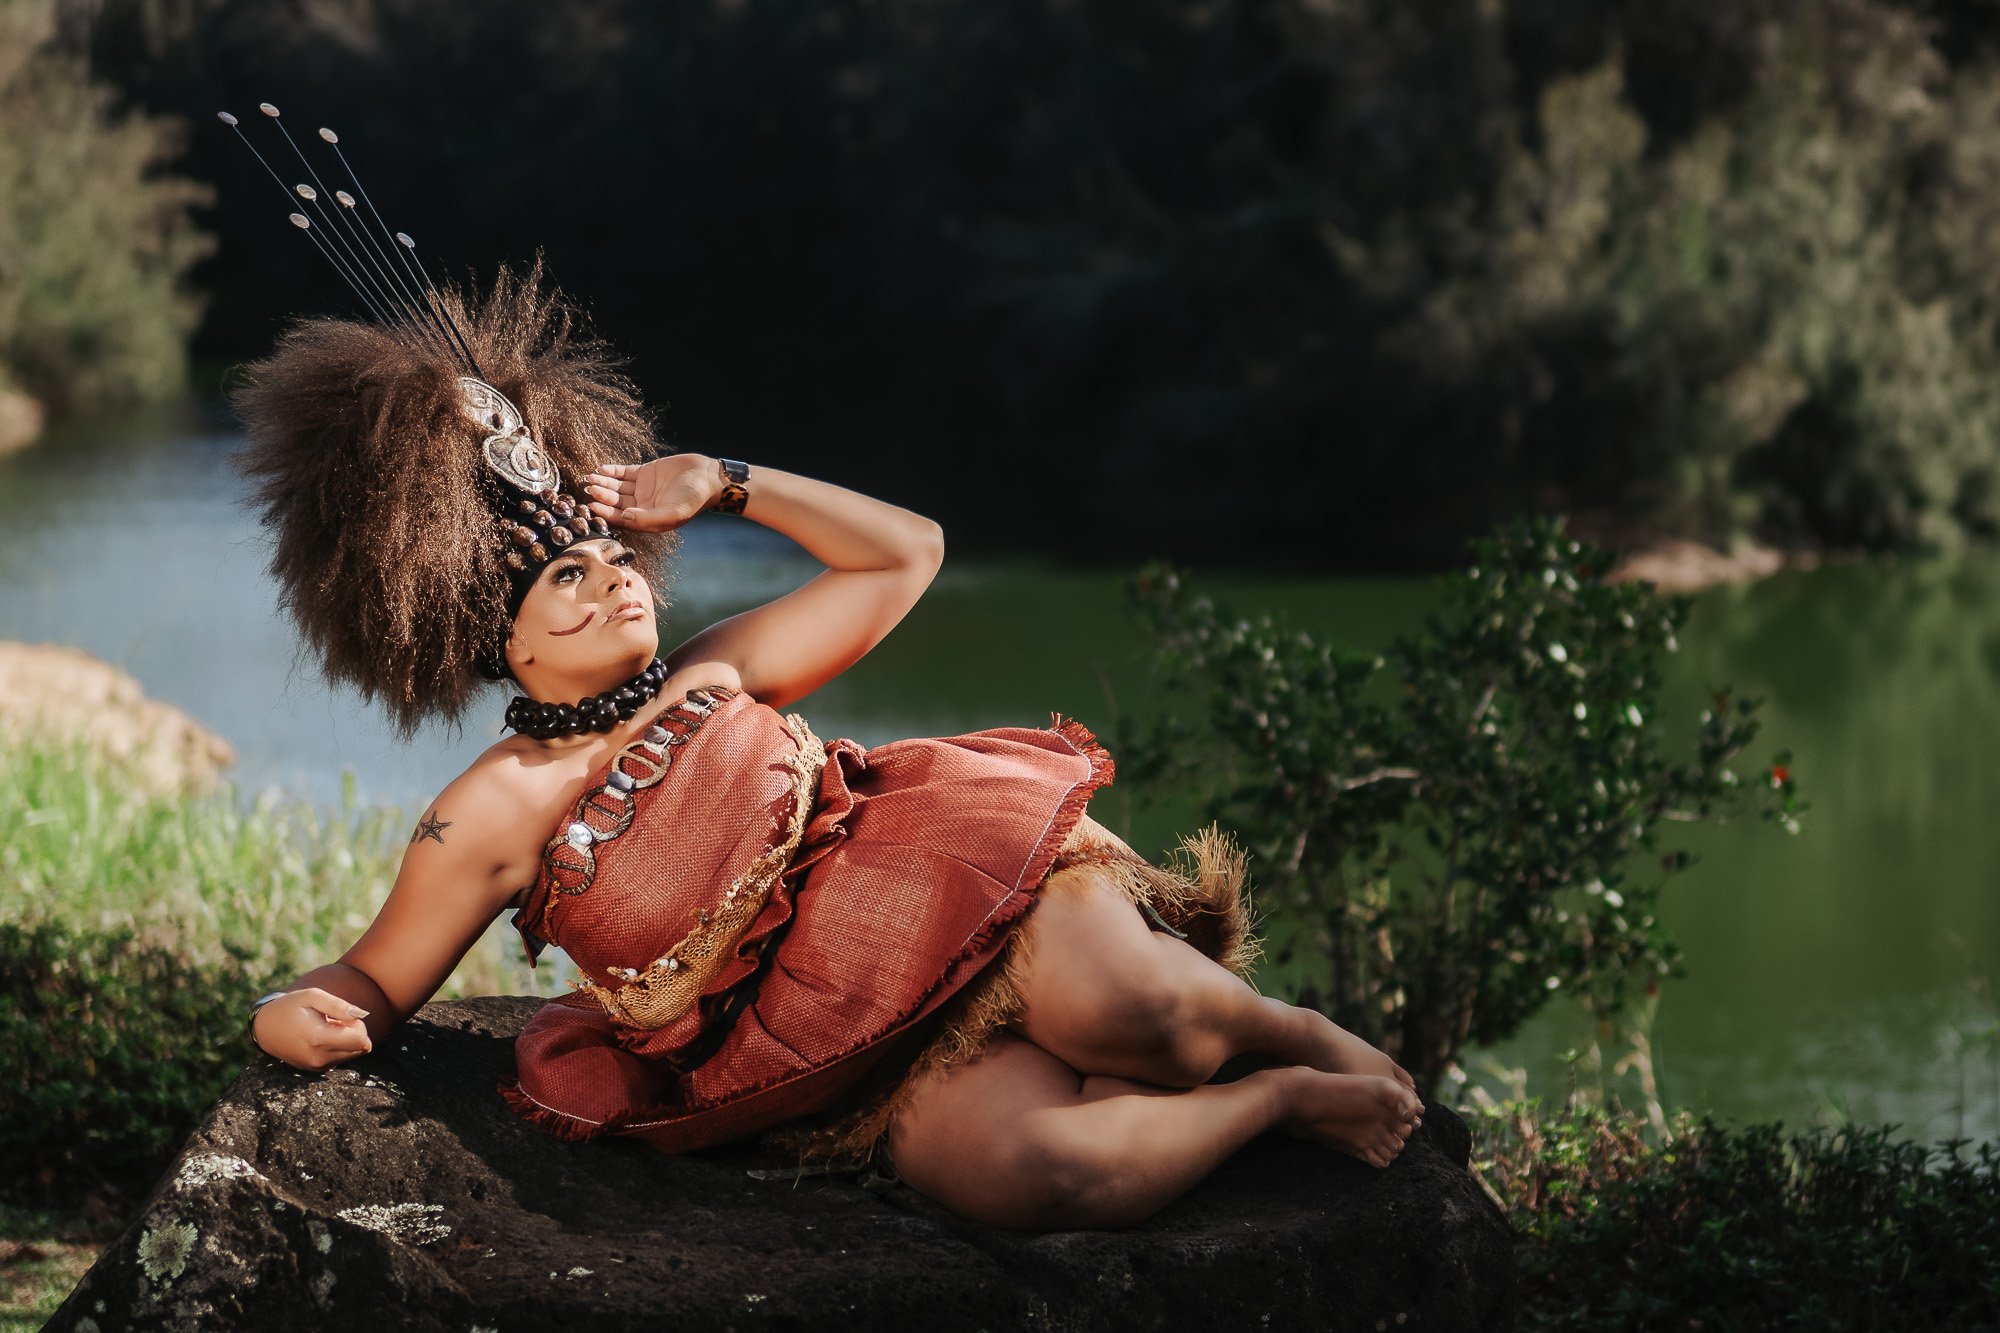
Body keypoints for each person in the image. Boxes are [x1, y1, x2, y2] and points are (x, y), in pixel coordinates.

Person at [238, 266, 1423, 1231]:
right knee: (1025, 1178)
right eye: (566, 576)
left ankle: (1287, 1029)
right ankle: (1277, 1099)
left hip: (968, 889)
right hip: (848, 1052)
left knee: (1144, 1016)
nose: (609, 583)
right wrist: (296, 1015)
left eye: (611, 559)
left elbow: (906, 552)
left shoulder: (713, 668)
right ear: (494, 638)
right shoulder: (490, 811)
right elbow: (374, 977)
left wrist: (727, 483)